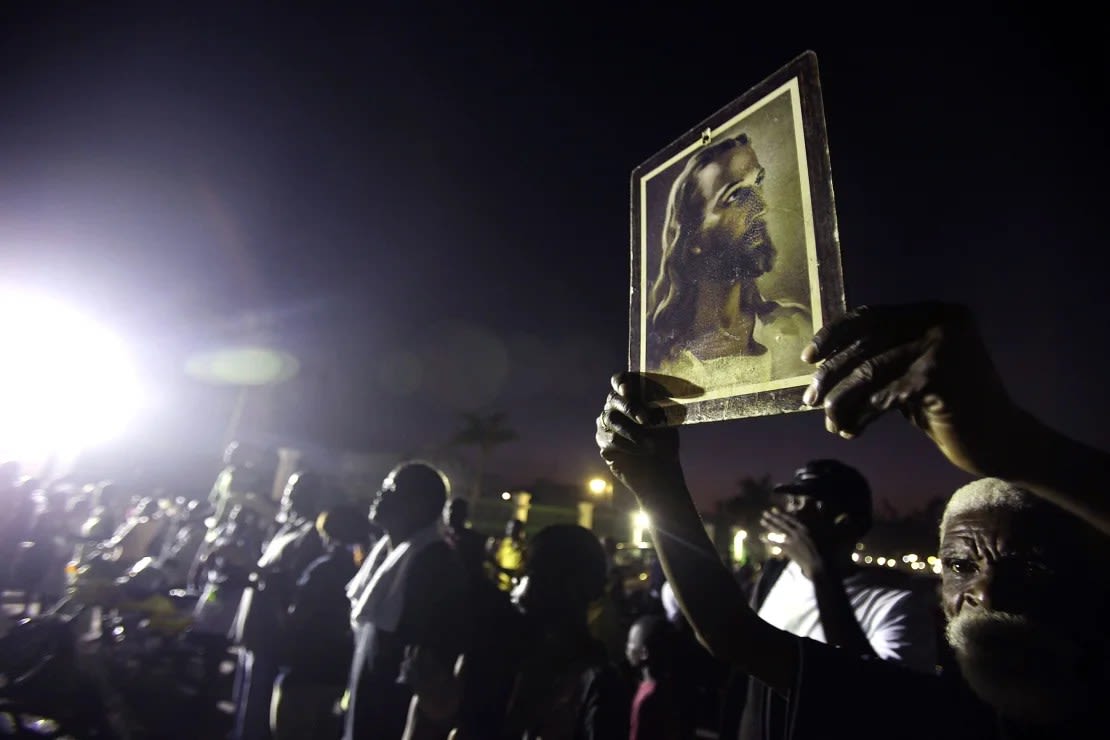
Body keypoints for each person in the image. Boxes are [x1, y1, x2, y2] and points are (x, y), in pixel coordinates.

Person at [596, 302, 1110, 738]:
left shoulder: (896, 609)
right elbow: (733, 636)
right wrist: (656, 480)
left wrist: (1013, 444)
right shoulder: (935, 714)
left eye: (1029, 568)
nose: (988, 594)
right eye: (960, 565)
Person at [732, 459, 938, 738]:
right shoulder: (774, 575)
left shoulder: (897, 606)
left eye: (814, 504)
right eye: (792, 501)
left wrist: (821, 573)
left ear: (848, 523)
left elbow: (881, 701)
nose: (795, 514)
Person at [648, 133, 812, 387]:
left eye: (759, 183)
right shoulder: (666, 364)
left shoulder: (798, 328)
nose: (762, 206)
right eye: (735, 196)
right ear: (693, 239)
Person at [344, 461, 467, 740]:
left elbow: (425, 662)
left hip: (391, 719)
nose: (381, 493)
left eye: (392, 488)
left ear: (419, 505)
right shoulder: (384, 554)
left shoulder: (434, 563)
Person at [231, 469, 330, 740]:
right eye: (289, 490)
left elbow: (293, 583)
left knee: (259, 713)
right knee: (245, 705)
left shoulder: (311, 535)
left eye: (296, 491)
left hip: (271, 636)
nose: (289, 496)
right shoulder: (286, 529)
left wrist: (252, 567)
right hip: (254, 630)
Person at [271, 505, 369, 740]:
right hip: (339, 669)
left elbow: (298, 616)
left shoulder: (321, 570)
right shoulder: (363, 571)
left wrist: (278, 603)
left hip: (306, 667)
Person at [627, 615, 681, 740]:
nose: (627, 647)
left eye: (631, 642)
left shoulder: (647, 699)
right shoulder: (668, 687)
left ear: (644, 653)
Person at [442, 496, 487, 577]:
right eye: (449, 509)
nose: (451, 513)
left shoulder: (474, 539)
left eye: (456, 510)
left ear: (464, 514)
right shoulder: (441, 537)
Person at [488, 518, 526, 592]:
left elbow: (518, 572)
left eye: (514, 528)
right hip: (500, 586)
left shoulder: (523, 549)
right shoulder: (503, 545)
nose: (510, 530)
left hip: (514, 588)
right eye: (509, 528)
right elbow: (497, 561)